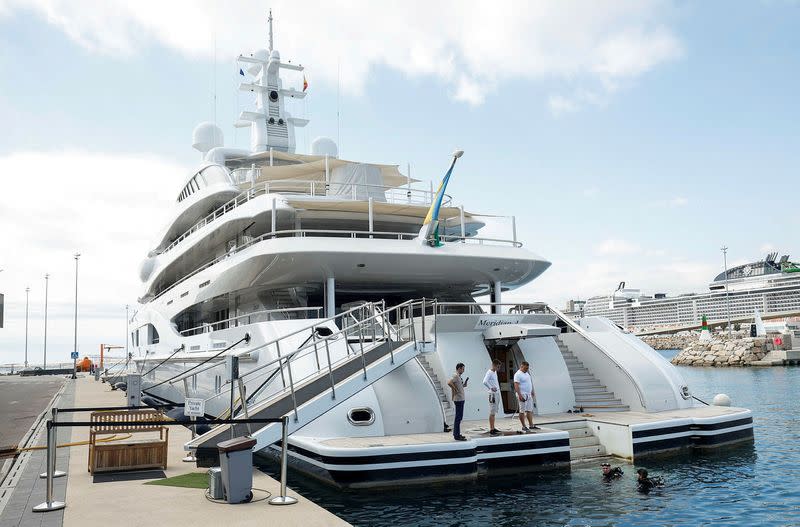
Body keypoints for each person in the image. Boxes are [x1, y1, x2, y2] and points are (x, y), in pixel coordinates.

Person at [513, 361, 537, 432]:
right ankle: (523, 426)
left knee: (529, 410)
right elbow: (516, 385)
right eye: (525, 368)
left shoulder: (527, 374)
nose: (527, 370)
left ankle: (531, 425)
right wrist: (519, 395)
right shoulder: (517, 374)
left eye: (527, 368)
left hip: (528, 394)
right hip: (522, 394)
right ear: (521, 366)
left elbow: (529, 383)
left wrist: (532, 391)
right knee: (522, 411)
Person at [447, 363, 468, 441]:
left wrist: (464, 385)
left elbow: (459, 386)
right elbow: (449, 382)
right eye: (462, 369)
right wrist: (455, 389)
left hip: (461, 399)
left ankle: (457, 434)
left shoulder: (458, 376)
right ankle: (456, 435)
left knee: (459, 417)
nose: (463, 370)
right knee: (458, 417)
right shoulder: (455, 375)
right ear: (459, 368)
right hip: (458, 399)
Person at [483, 359, 502, 436]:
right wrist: (491, 387)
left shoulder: (495, 372)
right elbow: (484, 381)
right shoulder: (489, 372)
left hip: (496, 393)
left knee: (494, 411)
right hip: (492, 394)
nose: (499, 368)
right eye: (498, 367)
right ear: (494, 365)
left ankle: (493, 427)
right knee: (492, 412)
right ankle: (491, 429)